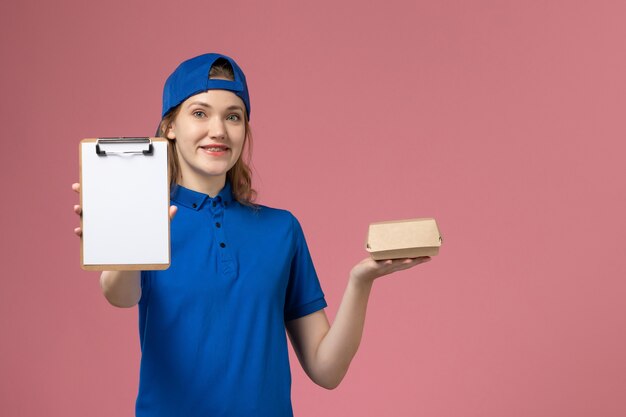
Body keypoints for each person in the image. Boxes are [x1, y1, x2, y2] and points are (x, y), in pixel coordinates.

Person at [72, 53, 432, 417]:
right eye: (200, 113)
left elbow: (327, 369)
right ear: (170, 126)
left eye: (233, 116)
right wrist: (124, 239)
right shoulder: (146, 219)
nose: (219, 130)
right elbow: (119, 294)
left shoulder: (281, 230)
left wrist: (361, 281)